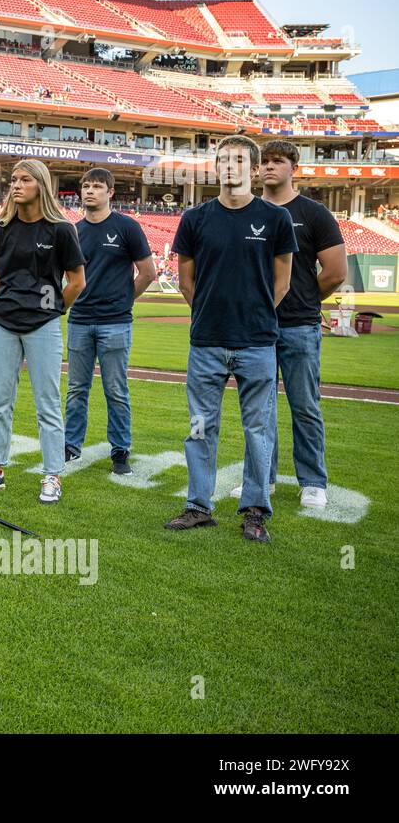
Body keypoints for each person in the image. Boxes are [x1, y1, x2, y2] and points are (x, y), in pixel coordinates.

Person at [166, 135, 296, 543]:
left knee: (259, 430)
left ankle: (255, 510)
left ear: (254, 170)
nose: (229, 166)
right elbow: (186, 280)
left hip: (257, 342)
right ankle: (198, 506)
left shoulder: (275, 219)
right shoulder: (195, 218)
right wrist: (209, 312)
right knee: (200, 428)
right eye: (222, 160)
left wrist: (254, 314)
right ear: (215, 167)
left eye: (239, 160)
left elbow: (282, 280)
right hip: (206, 341)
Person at [228, 140, 345, 509]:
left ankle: (312, 480)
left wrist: (306, 300)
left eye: (279, 161)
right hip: (255, 329)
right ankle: (263, 478)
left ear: (294, 167)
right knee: (258, 410)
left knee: (305, 404)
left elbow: (335, 272)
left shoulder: (314, 214)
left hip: (298, 326)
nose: (270, 167)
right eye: (265, 162)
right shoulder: (246, 210)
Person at [0, 159, 85, 504]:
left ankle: (52, 475)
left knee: (48, 403)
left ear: (41, 185)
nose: (16, 185)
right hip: (4, 323)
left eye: (25, 179)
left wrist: (51, 308)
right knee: (0, 401)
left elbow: (76, 281)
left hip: (44, 326)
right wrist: (10, 298)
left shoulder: (61, 230)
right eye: (13, 180)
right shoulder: (0, 229)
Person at [63, 168, 155, 474]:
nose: (90, 191)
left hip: (115, 322)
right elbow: (68, 276)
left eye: (97, 186)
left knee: (115, 389)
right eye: (86, 186)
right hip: (79, 320)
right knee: (76, 388)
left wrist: (125, 300)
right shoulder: (73, 231)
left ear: (110, 193)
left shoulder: (127, 227)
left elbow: (148, 272)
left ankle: (120, 450)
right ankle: (71, 446)